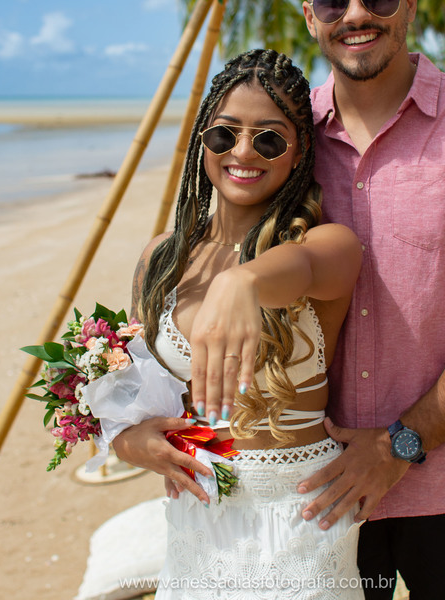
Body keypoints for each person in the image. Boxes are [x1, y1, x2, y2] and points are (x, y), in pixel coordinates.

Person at [187, 0, 445, 599]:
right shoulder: (280, 141)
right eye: (334, 2)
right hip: (316, 493)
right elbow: (205, 294)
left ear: (410, 2)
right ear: (310, 17)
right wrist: (162, 435)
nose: (356, 14)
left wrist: (397, 447)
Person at [113, 48, 367, 599]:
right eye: (225, 135)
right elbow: (127, 394)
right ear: (202, 141)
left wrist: (241, 282)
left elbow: (305, 268)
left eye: (269, 138)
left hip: (301, 516)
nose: (244, 152)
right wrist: (130, 443)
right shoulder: (160, 259)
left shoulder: (323, 245)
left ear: (299, 153)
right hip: (198, 516)